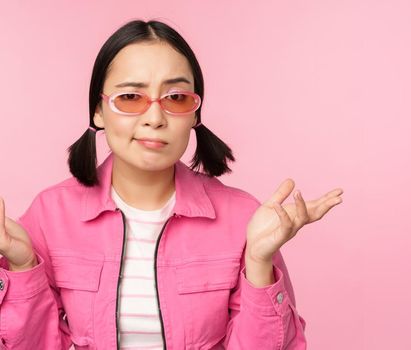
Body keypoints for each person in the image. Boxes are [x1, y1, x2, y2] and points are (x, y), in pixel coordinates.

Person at [0, 19, 343, 349]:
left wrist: (257, 262)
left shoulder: (243, 218)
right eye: (131, 97)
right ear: (98, 111)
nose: (154, 117)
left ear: (194, 114)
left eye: (175, 98)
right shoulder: (50, 215)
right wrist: (22, 268)